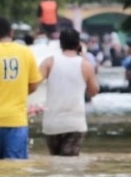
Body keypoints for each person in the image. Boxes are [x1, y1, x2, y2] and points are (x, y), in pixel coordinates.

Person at [0, 17, 42, 160]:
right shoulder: (25, 52)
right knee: (15, 171)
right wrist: (20, 93)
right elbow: (34, 84)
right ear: (11, 32)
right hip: (16, 121)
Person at [39, 28, 99, 156]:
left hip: (52, 124)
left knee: (55, 163)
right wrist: (84, 58)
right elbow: (94, 91)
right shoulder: (86, 65)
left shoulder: (49, 62)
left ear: (60, 44)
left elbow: (33, 84)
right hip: (75, 123)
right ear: (79, 44)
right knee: (70, 166)